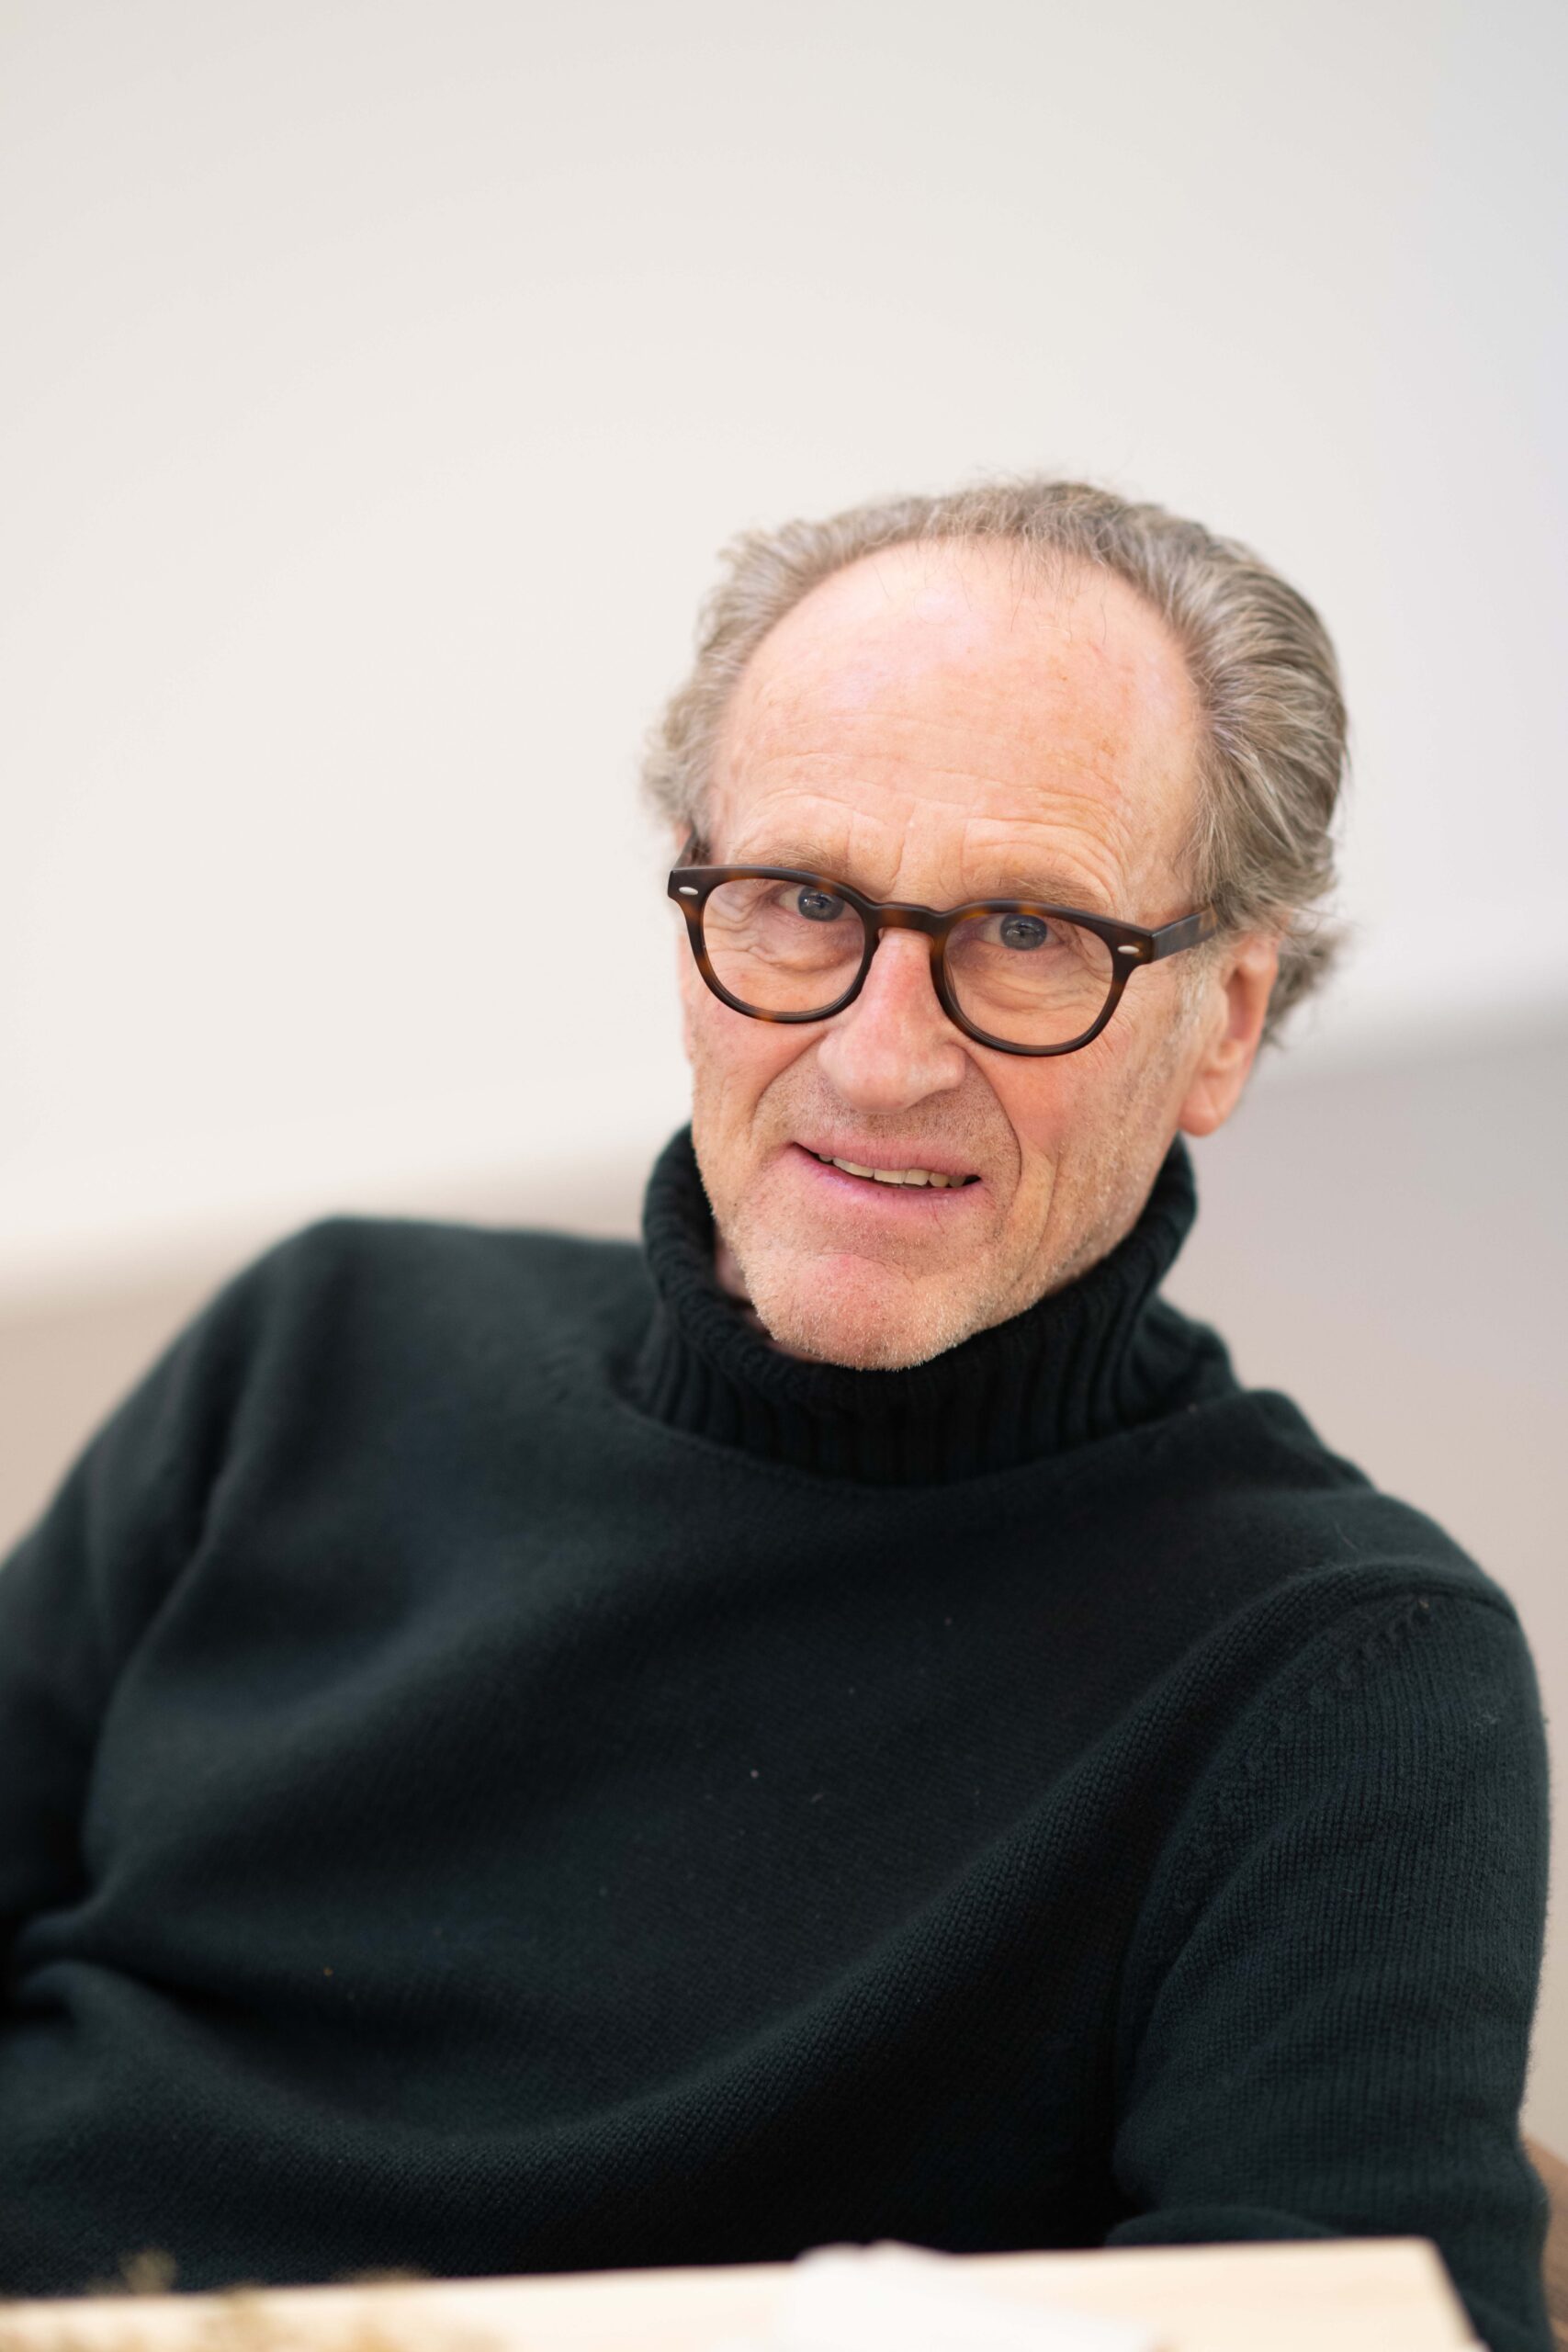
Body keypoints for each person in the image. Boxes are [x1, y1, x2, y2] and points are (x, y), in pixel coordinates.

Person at [0, 481, 1551, 2352]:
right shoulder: (316, 1347)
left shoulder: (1338, 1671)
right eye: (805, 902)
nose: (880, 1059)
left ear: (1222, 1015)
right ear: (691, 914)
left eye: (1027, 930)